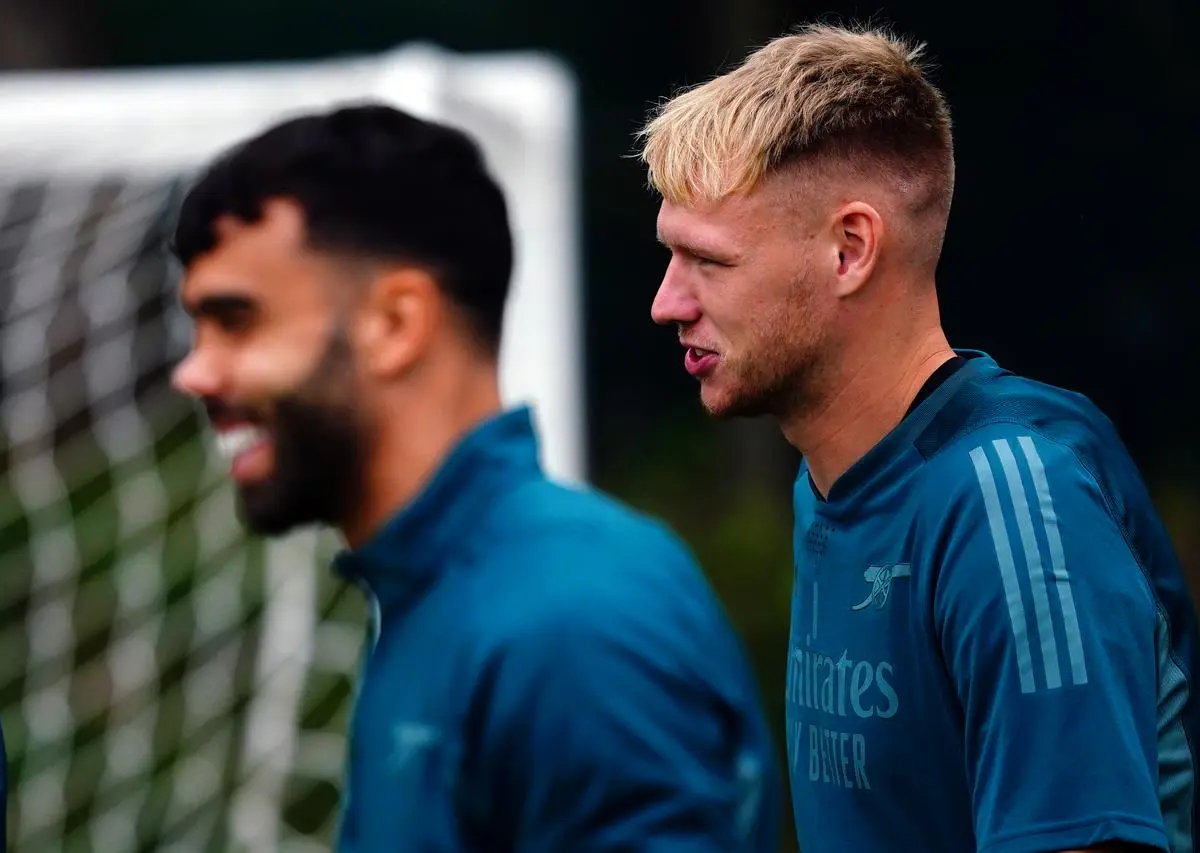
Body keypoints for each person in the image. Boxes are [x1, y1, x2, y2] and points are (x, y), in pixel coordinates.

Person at [639, 22, 1200, 853]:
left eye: (709, 261)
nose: (668, 302)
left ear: (850, 249)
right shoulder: (830, 483)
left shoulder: (1013, 499)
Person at [170, 103, 779, 852]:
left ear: (396, 323)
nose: (193, 372)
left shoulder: (574, 620)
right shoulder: (434, 589)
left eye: (237, 320)